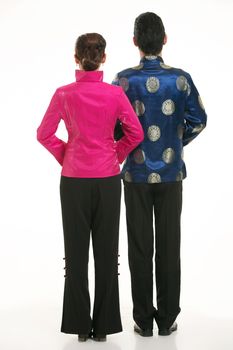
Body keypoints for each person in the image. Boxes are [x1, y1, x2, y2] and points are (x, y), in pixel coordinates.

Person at [37, 33, 144, 342]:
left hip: (73, 182)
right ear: (104, 58)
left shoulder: (63, 94)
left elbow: (44, 134)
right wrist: (116, 154)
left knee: (76, 252)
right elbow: (134, 133)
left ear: (76, 58)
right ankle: (105, 327)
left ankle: (80, 326)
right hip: (108, 180)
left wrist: (67, 156)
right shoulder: (113, 94)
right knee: (108, 253)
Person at [113, 12, 207, 337]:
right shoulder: (181, 79)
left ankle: (142, 320)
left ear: (135, 41)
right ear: (164, 39)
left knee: (140, 246)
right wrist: (175, 143)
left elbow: (113, 128)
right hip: (170, 175)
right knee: (169, 244)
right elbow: (199, 119)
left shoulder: (123, 81)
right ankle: (167, 320)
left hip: (135, 176)